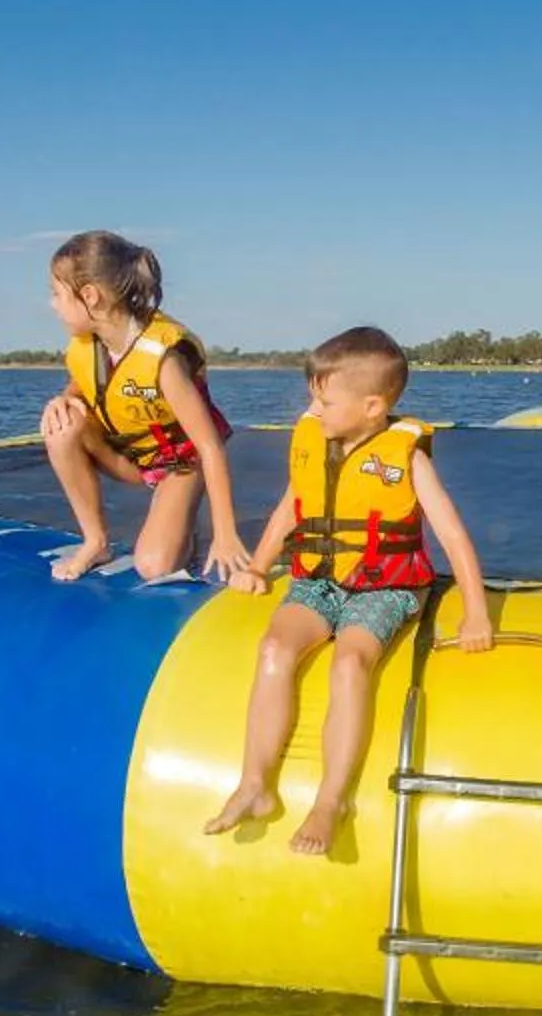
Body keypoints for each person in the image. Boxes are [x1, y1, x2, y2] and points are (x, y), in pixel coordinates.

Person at [205, 327, 495, 853]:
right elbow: (290, 510)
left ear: (372, 405)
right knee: (274, 649)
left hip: (385, 587)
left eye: (323, 399)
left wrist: (476, 611)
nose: (312, 409)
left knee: (349, 663)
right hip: (319, 580)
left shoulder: (406, 456)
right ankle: (255, 783)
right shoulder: (315, 445)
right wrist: (259, 565)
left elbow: (452, 533)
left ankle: (331, 799)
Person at [39, 231, 254, 583]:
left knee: (154, 566)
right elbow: (90, 381)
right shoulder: (89, 345)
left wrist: (226, 533)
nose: (52, 304)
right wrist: (64, 399)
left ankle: (185, 528)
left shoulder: (163, 359)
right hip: (132, 461)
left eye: (57, 294)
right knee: (61, 424)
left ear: (90, 296)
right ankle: (96, 541)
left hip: (181, 464)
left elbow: (210, 446)